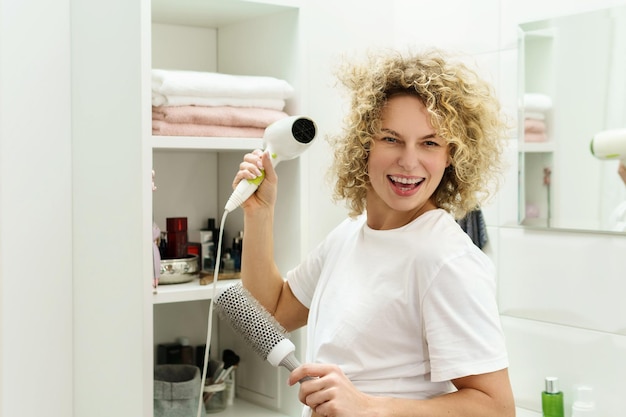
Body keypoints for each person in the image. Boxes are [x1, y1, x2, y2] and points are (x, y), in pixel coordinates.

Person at [231, 48, 515, 417]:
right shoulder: (348, 235)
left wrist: (368, 406)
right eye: (391, 139)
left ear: (451, 156)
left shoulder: (446, 259)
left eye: (430, 143)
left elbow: (496, 407)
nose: (409, 161)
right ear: (364, 145)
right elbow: (273, 314)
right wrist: (260, 213)